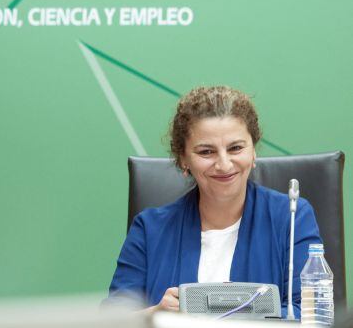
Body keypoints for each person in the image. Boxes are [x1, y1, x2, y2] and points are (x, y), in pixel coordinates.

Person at [107, 86, 321, 318]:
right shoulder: (149, 229)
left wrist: (220, 313)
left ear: (253, 151)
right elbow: (112, 320)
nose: (224, 164)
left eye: (236, 148)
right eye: (206, 152)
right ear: (183, 160)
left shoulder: (292, 216)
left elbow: (312, 314)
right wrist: (156, 314)